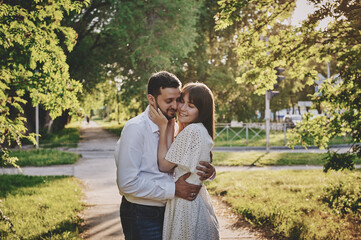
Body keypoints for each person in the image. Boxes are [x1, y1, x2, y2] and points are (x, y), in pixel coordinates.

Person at [114, 71, 216, 240]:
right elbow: (126, 183)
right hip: (143, 214)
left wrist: (209, 171)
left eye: (178, 99)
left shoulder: (175, 126)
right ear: (152, 99)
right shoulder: (135, 129)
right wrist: (174, 189)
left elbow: (184, 163)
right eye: (169, 101)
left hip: (172, 211)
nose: (176, 106)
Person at [148, 82, 220, 240]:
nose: (182, 108)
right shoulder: (197, 130)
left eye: (191, 106)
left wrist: (162, 126)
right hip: (195, 202)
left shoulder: (192, 131)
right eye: (182, 101)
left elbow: (164, 165)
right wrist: (171, 125)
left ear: (202, 111)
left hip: (185, 204)